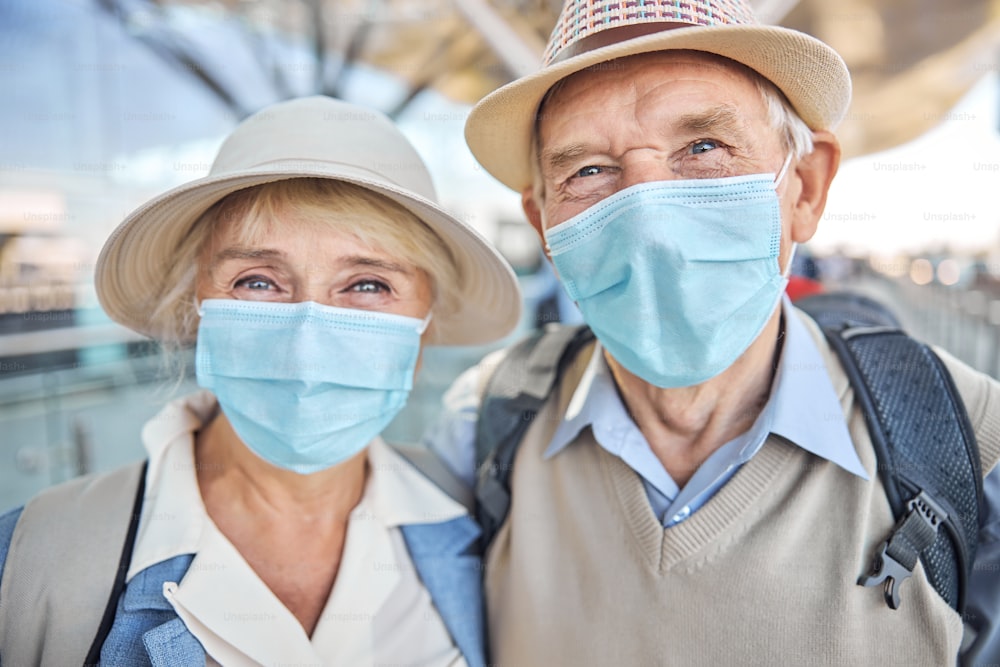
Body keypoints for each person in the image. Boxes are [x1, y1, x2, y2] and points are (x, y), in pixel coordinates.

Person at [424, 0, 1000, 664]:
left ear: (805, 189)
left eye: (704, 147)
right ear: (544, 224)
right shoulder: (483, 423)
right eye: (586, 171)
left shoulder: (970, 442)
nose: (650, 224)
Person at [0, 96, 521, 666]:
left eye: (368, 284)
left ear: (425, 328)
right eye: (258, 282)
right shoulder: (27, 562)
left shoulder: (481, 524)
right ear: (193, 306)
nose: (307, 342)